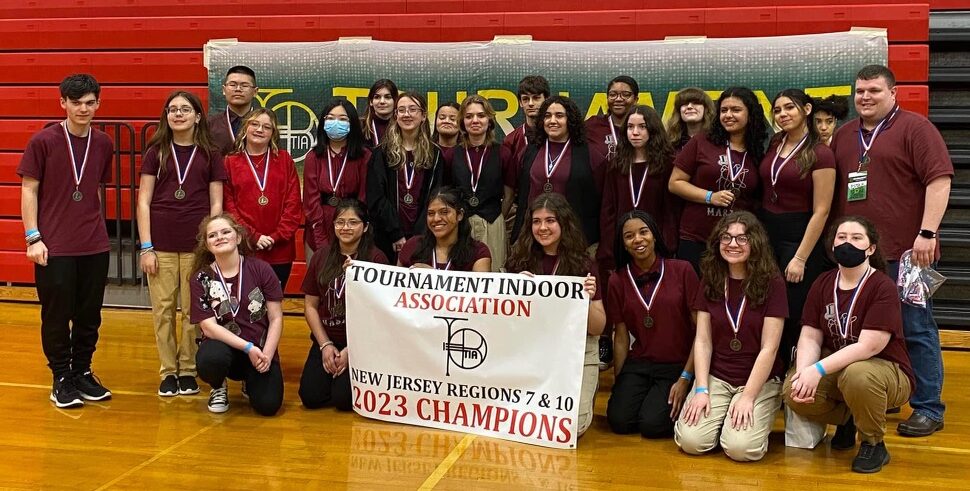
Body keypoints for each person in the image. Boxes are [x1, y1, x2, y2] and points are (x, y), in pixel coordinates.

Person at [831, 64, 952, 437]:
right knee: (871, 330)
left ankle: (929, 407)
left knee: (916, 328)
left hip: (908, 254)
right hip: (859, 258)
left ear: (893, 93)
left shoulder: (916, 128)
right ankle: (889, 391)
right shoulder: (845, 135)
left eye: (874, 91)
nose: (865, 97)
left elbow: (939, 180)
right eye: (860, 91)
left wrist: (927, 232)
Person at [785, 216, 914, 473]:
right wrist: (804, 372)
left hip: (887, 371)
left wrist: (818, 370)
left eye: (856, 238)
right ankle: (852, 418)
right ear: (832, 246)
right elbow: (810, 334)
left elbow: (869, 346)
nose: (847, 243)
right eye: (841, 238)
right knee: (793, 391)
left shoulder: (882, 286)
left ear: (871, 248)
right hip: (842, 369)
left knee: (858, 375)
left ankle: (873, 443)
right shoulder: (823, 282)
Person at [19, 73, 114, 407]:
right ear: (63, 103)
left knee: (90, 315)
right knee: (57, 315)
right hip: (54, 245)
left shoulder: (103, 143)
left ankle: (82, 371)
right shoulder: (42, 141)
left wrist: (99, 232)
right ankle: (60, 376)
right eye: (76, 103)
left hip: (94, 245)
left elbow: (94, 191)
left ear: (98, 103)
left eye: (90, 103)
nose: (83, 109)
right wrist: (33, 238)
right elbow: (29, 189)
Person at [675, 211, 786, 462]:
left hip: (758, 378)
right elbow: (703, 341)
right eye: (726, 237)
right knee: (691, 442)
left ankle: (749, 412)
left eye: (742, 238)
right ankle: (721, 417)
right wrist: (701, 388)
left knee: (741, 449)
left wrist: (748, 397)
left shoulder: (773, 283)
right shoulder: (711, 279)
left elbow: (769, 348)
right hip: (718, 375)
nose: (733, 244)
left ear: (755, 242)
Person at [138, 90, 225, 397]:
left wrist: (210, 244)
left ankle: (187, 369)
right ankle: (167, 371)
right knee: (162, 311)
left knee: (192, 311)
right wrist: (146, 246)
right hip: (160, 245)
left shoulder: (210, 153)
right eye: (172, 109)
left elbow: (216, 202)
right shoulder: (155, 151)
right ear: (166, 116)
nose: (177, 114)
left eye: (184, 109)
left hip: (195, 247)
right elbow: (143, 200)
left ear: (197, 116)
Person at [506, 192, 606, 437]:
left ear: (563, 223)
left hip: (576, 351)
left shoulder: (584, 264)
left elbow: (598, 328)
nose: (542, 228)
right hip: (532, 351)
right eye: (536, 221)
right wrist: (513, 291)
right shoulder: (519, 261)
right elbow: (505, 325)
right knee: (522, 424)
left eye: (550, 220)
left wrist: (590, 300)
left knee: (571, 428)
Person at [760, 89, 836, 370]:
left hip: (800, 237)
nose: (782, 114)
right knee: (770, 306)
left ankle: (796, 374)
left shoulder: (821, 153)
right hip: (769, 234)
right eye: (778, 110)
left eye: (789, 108)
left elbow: (822, 210)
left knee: (793, 309)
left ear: (806, 110)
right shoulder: (776, 142)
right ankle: (772, 370)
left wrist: (801, 257)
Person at [606, 210, 697, 438]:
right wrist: (620, 382)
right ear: (623, 244)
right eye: (629, 236)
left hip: (676, 364)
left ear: (654, 236)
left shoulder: (683, 270)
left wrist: (686, 378)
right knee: (619, 421)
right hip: (640, 363)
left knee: (652, 425)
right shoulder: (617, 280)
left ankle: (679, 397)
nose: (637, 239)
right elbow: (621, 336)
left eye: (643, 232)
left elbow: (702, 333)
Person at [189, 214, 284, 416]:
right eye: (212, 235)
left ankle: (249, 381)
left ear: (238, 237)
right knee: (210, 359)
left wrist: (266, 353)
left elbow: (276, 318)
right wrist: (246, 347)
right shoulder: (201, 277)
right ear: (206, 245)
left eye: (225, 232)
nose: (220, 237)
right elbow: (208, 327)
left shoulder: (261, 269)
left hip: (259, 350)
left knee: (268, 406)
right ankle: (218, 386)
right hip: (226, 350)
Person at [299, 199, 388, 410]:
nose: (345, 228)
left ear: (365, 227)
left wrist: (352, 350)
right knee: (310, 398)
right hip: (328, 339)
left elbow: (380, 313)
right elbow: (310, 306)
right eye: (340, 222)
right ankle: (335, 372)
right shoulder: (321, 256)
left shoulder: (376, 259)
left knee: (343, 401)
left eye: (353, 222)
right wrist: (325, 345)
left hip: (361, 343)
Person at [669, 87, 769, 272]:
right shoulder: (702, 141)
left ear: (750, 114)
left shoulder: (757, 152)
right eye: (724, 110)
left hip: (736, 243)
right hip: (697, 238)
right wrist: (709, 197)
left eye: (736, 110)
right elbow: (675, 183)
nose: (728, 115)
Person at [512, 95, 606, 247]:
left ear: (570, 120)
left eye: (559, 116)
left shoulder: (591, 154)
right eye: (547, 116)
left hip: (574, 240)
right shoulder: (530, 151)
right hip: (534, 237)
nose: (552, 121)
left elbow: (601, 200)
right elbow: (521, 194)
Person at [223, 108, 302, 288]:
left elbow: (293, 204)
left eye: (267, 127)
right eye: (255, 124)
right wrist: (253, 236)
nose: (260, 130)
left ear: (273, 133)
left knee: (273, 303)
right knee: (246, 305)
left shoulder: (284, 159)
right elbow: (229, 207)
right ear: (245, 128)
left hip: (280, 249)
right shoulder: (230, 162)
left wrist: (275, 237)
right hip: (245, 247)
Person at [599, 105, 679, 272]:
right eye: (630, 127)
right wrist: (609, 249)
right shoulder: (616, 164)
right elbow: (608, 209)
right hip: (623, 246)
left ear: (653, 129)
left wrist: (668, 245)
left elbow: (671, 210)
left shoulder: (667, 163)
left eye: (642, 127)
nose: (635, 132)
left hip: (657, 246)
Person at [367, 91, 444, 261]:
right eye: (401, 110)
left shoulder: (435, 154)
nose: (406, 114)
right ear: (396, 115)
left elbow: (435, 196)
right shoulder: (381, 153)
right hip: (387, 237)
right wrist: (396, 234)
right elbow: (376, 198)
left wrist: (418, 237)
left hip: (424, 236)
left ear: (423, 115)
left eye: (412, 109)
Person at [443, 95, 515, 271]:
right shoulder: (452, 155)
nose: (475, 120)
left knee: (494, 274)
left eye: (481, 115)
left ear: (489, 120)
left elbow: (509, 194)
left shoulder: (503, 153)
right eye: (469, 116)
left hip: (492, 222)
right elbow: (445, 193)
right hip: (459, 224)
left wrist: (497, 218)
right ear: (462, 122)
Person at [302, 99, 370, 259]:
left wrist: (353, 234)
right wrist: (321, 243)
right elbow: (311, 203)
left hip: (352, 227)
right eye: (330, 118)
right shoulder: (313, 157)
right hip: (319, 228)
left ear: (352, 123)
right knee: (319, 279)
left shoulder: (364, 156)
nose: (335, 123)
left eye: (342, 119)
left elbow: (363, 198)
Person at [397, 187, 491, 272]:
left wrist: (435, 276)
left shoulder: (478, 252)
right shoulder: (412, 246)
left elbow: (480, 290)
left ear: (460, 215)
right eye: (431, 213)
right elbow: (394, 288)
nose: (436, 219)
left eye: (444, 212)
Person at [586, 76, 639, 161]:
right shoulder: (592, 125)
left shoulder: (643, 127)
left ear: (635, 99)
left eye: (625, 94)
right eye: (613, 94)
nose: (618, 99)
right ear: (607, 98)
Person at [208, 65, 257, 155]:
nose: (238, 89)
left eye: (244, 85)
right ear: (224, 90)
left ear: (255, 92)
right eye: (233, 85)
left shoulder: (264, 125)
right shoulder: (209, 125)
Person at [502, 75, 549, 167]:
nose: (530, 103)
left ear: (546, 100)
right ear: (520, 103)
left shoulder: (557, 135)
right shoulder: (510, 141)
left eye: (536, 98)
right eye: (526, 99)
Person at [361, 79, 398, 148]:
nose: (382, 101)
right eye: (377, 97)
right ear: (371, 102)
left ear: (395, 101)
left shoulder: (402, 126)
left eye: (387, 97)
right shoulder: (361, 126)